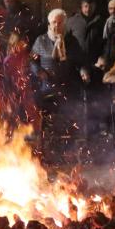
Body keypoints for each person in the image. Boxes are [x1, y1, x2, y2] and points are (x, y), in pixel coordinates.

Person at [32, 8, 90, 154]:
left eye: (60, 23)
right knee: (43, 111)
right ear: (49, 24)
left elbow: (80, 62)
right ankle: (45, 146)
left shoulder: (71, 41)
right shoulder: (41, 41)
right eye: (54, 22)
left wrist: (83, 71)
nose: (56, 25)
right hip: (47, 87)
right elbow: (32, 61)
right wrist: (38, 71)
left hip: (68, 87)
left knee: (73, 109)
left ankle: (70, 149)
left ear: (64, 24)